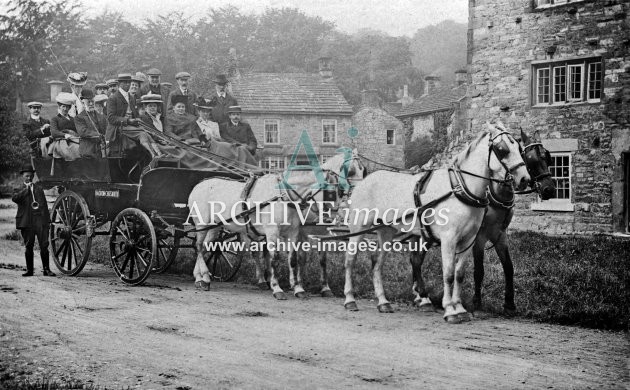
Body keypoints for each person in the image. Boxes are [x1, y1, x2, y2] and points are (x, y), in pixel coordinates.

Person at [12, 165, 55, 277]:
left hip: (39, 221)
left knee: (44, 245)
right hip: (26, 221)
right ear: (23, 176)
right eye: (27, 176)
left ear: (33, 176)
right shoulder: (18, 188)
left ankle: (46, 269)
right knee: (29, 245)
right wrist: (27, 190)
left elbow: (44, 206)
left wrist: (47, 222)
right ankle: (29, 270)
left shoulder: (38, 189)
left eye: (31, 176)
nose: (29, 178)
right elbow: (15, 198)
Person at [105, 73, 160, 158]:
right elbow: (111, 118)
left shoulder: (131, 97)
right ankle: (153, 154)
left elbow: (135, 114)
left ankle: (159, 153)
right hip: (118, 128)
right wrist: (128, 120)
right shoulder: (113, 98)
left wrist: (138, 119)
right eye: (125, 82)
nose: (128, 84)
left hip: (131, 126)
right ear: (120, 84)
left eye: (129, 82)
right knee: (142, 133)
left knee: (148, 133)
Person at [195, 98, 257, 165]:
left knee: (244, 152)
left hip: (244, 148)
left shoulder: (246, 126)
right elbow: (225, 139)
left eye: (238, 114)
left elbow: (252, 139)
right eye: (233, 115)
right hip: (228, 148)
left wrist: (250, 148)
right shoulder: (224, 126)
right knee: (238, 150)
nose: (236, 117)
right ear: (229, 116)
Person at [74, 89, 107, 158]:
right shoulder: (79, 118)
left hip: (100, 151)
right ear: (83, 103)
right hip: (87, 151)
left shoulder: (101, 117)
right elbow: (83, 132)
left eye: (92, 101)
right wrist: (97, 134)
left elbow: (106, 130)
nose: (91, 104)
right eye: (88, 102)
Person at [49, 92, 80, 160]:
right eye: (63, 106)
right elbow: (54, 132)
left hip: (74, 139)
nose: (65, 109)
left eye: (68, 107)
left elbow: (78, 130)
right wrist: (65, 135)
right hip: (62, 141)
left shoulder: (73, 119)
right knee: (76, 149)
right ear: (59, 106)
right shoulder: (55, 119)